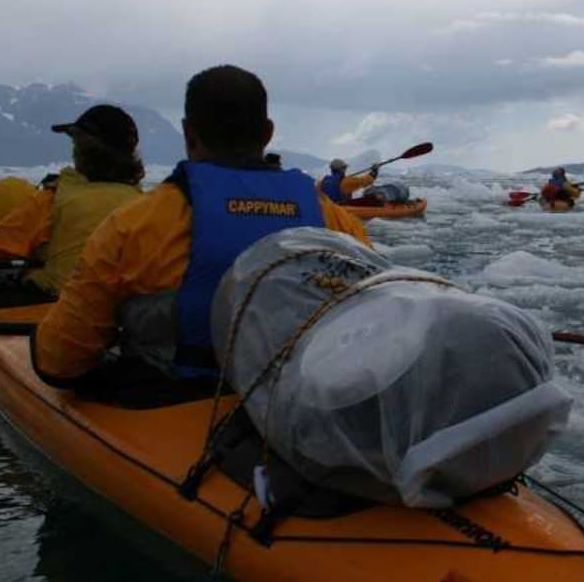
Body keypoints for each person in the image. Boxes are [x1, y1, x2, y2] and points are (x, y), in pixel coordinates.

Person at [34, 65, 370, 387]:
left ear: (188, 133)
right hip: (298, 399)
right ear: (268, 133)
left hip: (171, 399)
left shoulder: (132, 225)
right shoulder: (338, 223)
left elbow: (59, 360)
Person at [0, 105, 144, 307]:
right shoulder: (143, 203)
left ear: (80, 150)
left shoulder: (54, 200)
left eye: (75, 142)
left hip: (55, 307)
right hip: (121, 312)